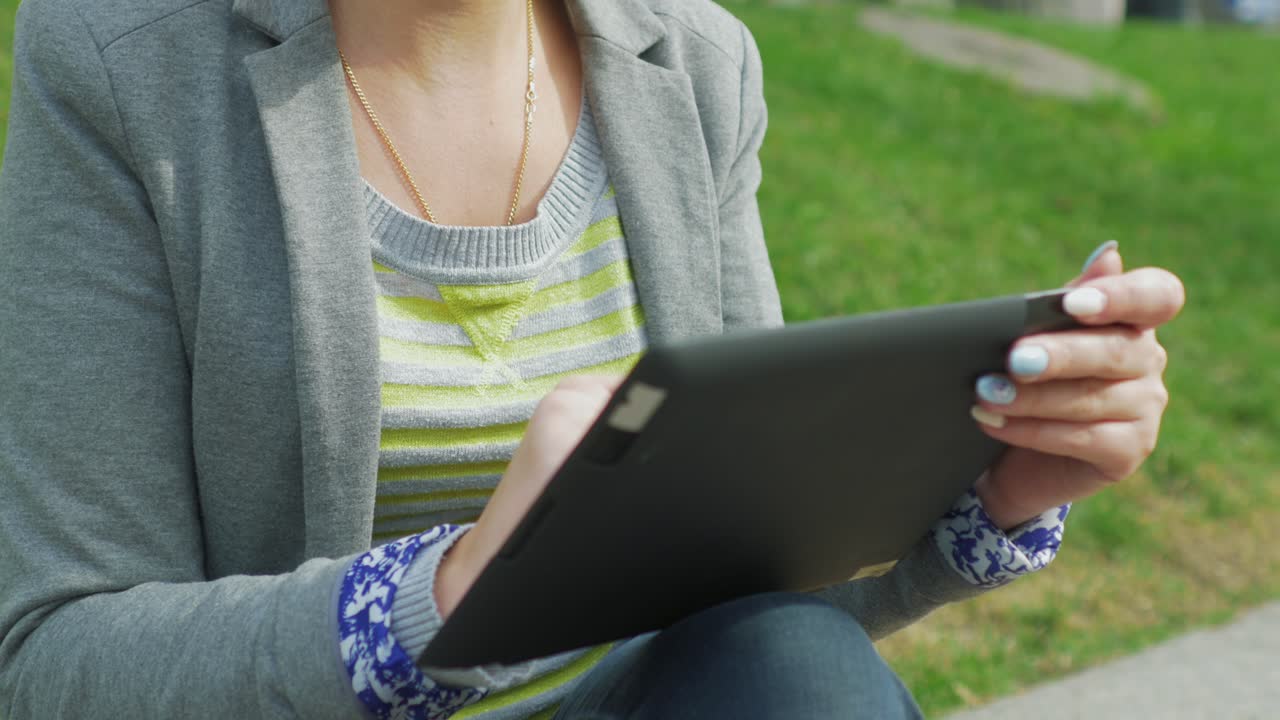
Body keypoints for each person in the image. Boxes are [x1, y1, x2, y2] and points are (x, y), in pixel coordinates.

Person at [0, 0, 1185, 718]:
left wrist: (998, 498)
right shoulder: (121, 61)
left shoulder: (694, 61)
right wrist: (452, 597)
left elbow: (759, 606)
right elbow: (54, 661)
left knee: (791, 664)